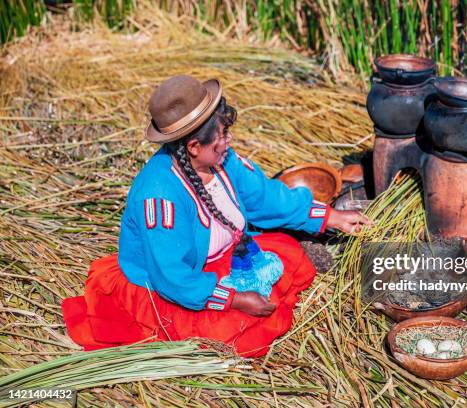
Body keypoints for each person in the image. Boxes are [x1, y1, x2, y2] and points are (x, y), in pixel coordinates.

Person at [62, 75, 371, 357]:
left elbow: (264, 196)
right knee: (236, 330)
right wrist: (234, 298)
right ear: (194, 146)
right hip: (175, 284)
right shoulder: (159, 195)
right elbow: (173, 277)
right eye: (222, 135)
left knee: (287, 256)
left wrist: (328, 217)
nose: (229, 141)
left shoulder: (223, 161)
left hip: (220, 260)